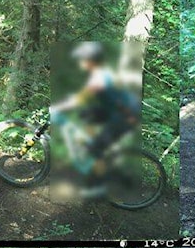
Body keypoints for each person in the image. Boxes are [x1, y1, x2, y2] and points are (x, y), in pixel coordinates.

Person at [47, 42, 140, 196]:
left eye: (82, 59)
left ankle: (100, 185)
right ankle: (91, 149)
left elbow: (81, 99)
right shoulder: (101, 73)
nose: (80, 62)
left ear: (91, 60)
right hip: (114, 109)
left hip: (125, 115)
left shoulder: (99, 77)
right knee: (85, 114)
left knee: (96, 148)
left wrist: (59, 107)